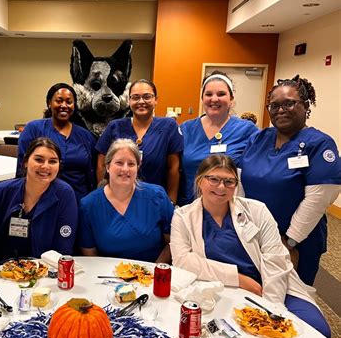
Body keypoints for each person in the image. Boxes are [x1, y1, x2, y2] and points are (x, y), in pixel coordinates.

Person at [170, 154, 331, 338]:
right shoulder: (183, 217)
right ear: (200, 181)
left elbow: (276, 258)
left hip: (274, 284)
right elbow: (183, 261)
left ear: (236, 185)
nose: (221, 187)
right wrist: (240, 280)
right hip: (222, 289)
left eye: (229, 181)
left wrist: (272, 307)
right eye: (213, 179)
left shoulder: (257, 211)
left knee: (317, 331)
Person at [240, 75, 341, 285]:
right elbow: (240, 181)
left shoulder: (319, 144)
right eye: (274, 105)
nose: (280, 110)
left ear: (305, 105)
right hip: (254, 235)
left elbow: (318, 199)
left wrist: (289, 241)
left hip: (296, 241)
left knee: (291, 299)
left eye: (289, 103)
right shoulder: (258, 138)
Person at [0, 137, 78, 269]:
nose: (45, 166)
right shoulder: (1, 191)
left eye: (53, 161)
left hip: (44, 271)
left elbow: (63, 247)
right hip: (0, 269)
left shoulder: (65, 194)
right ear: (26, 161)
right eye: (38, 159)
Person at [80, 139, 173, 263]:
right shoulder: (88, 205)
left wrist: (154, 272)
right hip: (107, 276)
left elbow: (173, 242)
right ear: (107, 166)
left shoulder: (157, 196)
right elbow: (89, 252)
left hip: (150, 275)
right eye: (119, 163)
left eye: (131, 164)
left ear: (138, 167)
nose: (125, 169)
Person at [96, 79, 182, 204]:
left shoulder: (168, 126)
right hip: (118, 199)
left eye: (147, 97)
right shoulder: (115, 126)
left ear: (155, 100)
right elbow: (101, 165)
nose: (141, 101)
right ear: (129, 100)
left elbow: (173, 168)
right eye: (135, 97)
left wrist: (171, 202)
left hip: (156, 201)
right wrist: (105, 196)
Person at [179, 71, 258, 205]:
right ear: (202, 98)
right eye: (208, 94)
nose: (214, 99)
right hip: (190, 207)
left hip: (228, 208)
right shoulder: (186, 129)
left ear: (231, 99)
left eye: (221, 94)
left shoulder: (246, 130)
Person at [16, 83, 96, 202]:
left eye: (69, 102)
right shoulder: (33, 129)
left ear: (74, 105)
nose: (64, 105)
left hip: (78, 200)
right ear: (49, 103)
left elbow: (91, 174)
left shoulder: (86, 136)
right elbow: (22, 170)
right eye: (59, 101)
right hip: (41, 200)